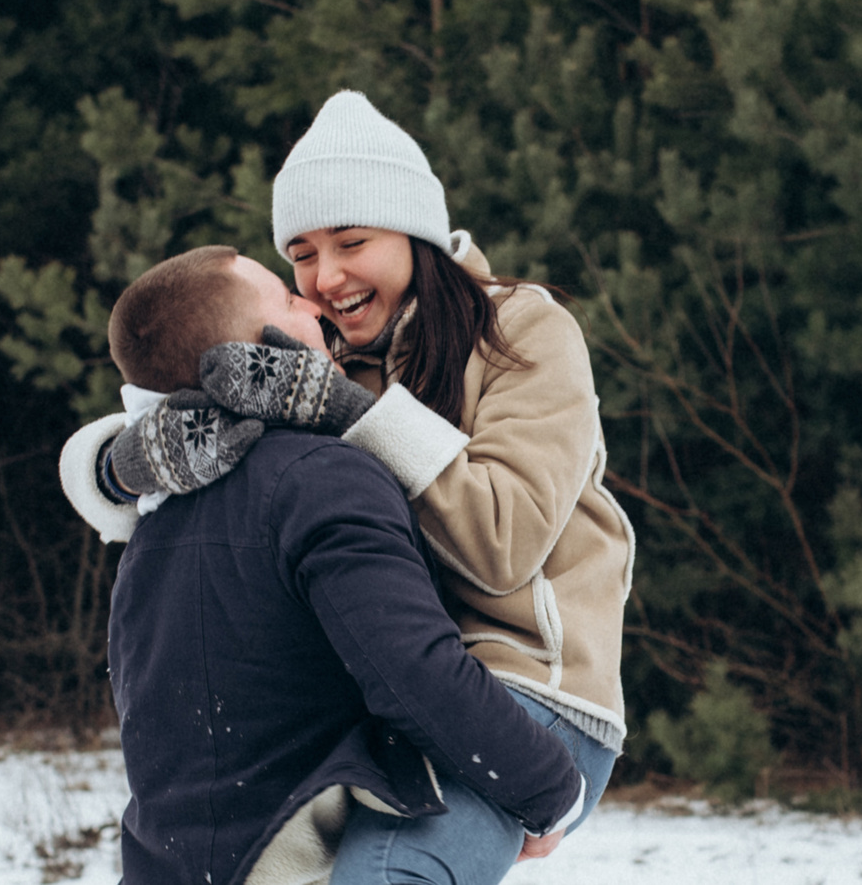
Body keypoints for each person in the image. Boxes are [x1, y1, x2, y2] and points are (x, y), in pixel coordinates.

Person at [205, 90, 636, 885]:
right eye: (301, 253)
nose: (326, 275)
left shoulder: (522, 334)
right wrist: (127, 459)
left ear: (414, 232)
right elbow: (166, 367)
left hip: (526, 695)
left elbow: (502, 543)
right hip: (379, 703)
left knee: (384, 878)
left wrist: (349, 412)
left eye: (351, 240)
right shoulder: (317, 355)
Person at [78, 244, 585, 885]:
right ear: (255, 350)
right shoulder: (324, 480)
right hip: (287, 861)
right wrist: (549, 787)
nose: (313, 301)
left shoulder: (150, 527)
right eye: (291, 301)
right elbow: (414, 673)